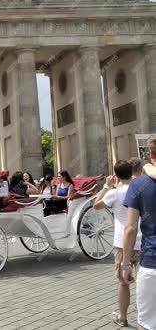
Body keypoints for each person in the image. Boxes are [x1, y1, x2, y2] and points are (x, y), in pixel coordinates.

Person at [93, 161, 142, 327]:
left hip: (122, 243)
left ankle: (123, 317)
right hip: (143, 239)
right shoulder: (140, 188)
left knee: (123, 282)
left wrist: (106, 186)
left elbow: (96, 205)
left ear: (115, 174)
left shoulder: (114, 193)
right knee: (146, 281)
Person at [123, 136, 156, 330]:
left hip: (152, 262)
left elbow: (130, 229)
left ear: (150, 154)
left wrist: (126, 264)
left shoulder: (138, 185)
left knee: (146, 323)